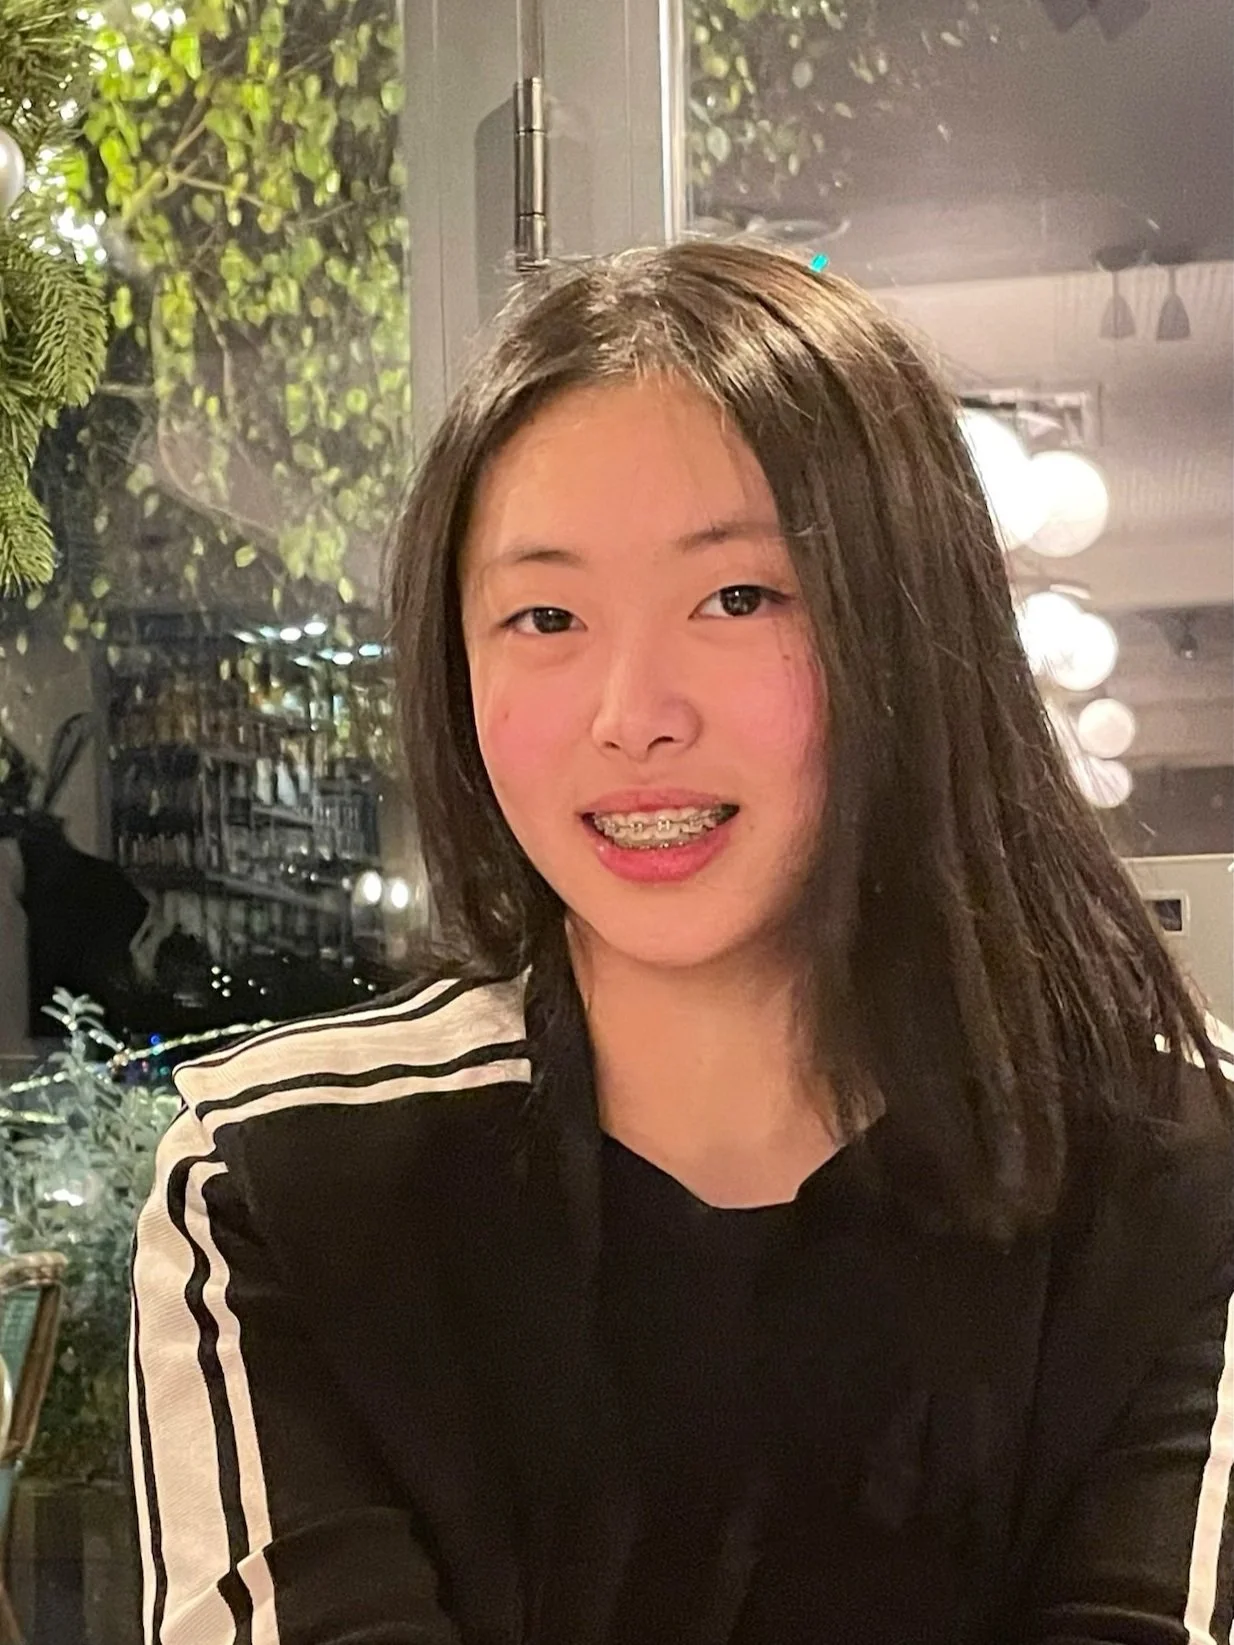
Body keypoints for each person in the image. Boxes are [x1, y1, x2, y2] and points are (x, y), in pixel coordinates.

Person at [129, 242, 1234, 1645]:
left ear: (911, 629)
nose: (629, 712)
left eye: (738, 598)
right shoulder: (280, 1180)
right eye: (543, 616)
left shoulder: (1181, 1163)